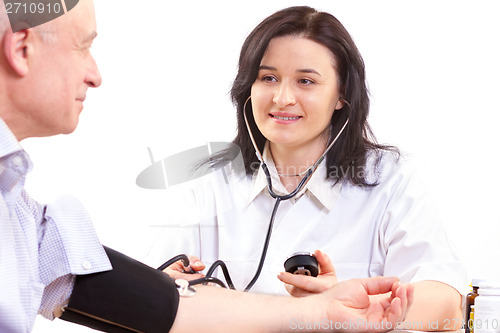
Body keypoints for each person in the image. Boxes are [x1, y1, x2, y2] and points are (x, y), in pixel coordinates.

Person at [0, 1, 413, 332]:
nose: (96, 74)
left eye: (306, 81)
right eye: (82, 47)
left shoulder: (19, 218)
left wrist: (324, 312)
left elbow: (140, 302)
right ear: (21, 50)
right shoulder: (212, 184)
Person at [152, 5, 467, 331]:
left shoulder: (389, 180)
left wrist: (349, 305)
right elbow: (152, 292)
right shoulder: (212, 185)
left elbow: (447, 304)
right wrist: (163, 288)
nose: (282, 97)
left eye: (305, 81)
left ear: (342, 94)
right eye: (268, 78)